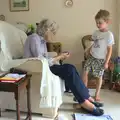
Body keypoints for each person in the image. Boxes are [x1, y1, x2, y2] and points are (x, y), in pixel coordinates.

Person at [24, 19, 104, 116]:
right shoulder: (34, 38)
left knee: (71, 67)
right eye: (53, 32)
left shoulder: (42, 41)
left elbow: (44, 57)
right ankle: (84, 102)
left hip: (43, 66)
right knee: (69, 70)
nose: (54, 35)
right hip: (36, 68)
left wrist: (59, 55)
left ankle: (86, 98)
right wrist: (59, 57)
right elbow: (40, 61)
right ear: (46, 30)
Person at [83, 10, 115, 101]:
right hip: (92, 56)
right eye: (96, 23)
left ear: (107, 22)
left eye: (100, 23)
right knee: (85, 72)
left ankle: (97, 94)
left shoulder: (109, 35)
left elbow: (110, 50)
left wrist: (106, 62)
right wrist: (88, 50)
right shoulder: (96, 32)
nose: (97, 25)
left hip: (101, 59)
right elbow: (92, 43)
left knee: (98, 76)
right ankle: (84, 92)